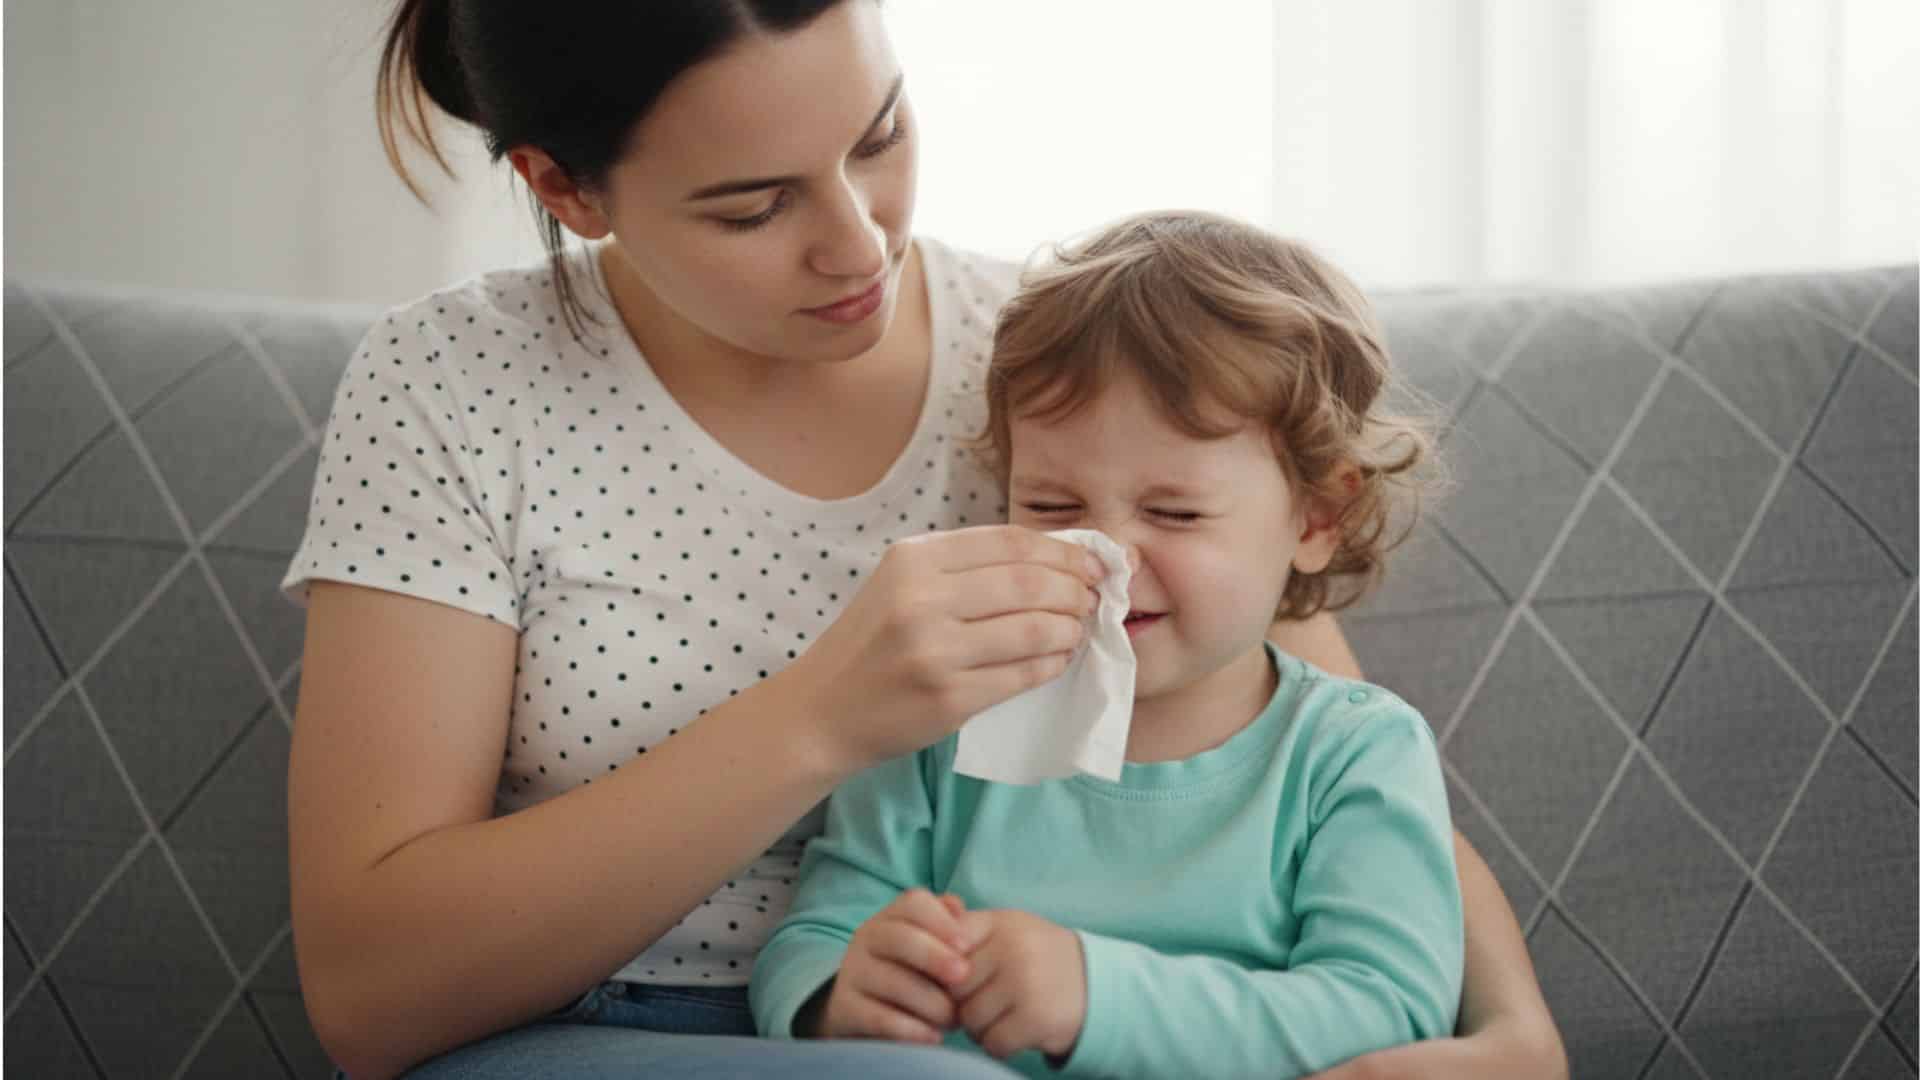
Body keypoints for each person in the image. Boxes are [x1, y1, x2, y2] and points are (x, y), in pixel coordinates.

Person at [282, 2, 1569, 1077]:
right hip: (598, 1029)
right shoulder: (454, 382)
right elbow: (369, 997)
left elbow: (1316, 736)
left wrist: (1513, 1034)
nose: (860, 241)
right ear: (565, 186)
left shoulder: (1060, 361)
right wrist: (825, 720)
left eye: (880, 134)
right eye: (751, 206)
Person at [750, 210, 1462, 1077]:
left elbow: (1389, 1010)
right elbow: (820, 929)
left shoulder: (1352, 754)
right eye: (1052, 507)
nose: (1108, 559)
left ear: (1318, 517)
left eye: (1174, 513)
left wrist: (1099, 995)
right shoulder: (947, 717)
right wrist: (838, 992)